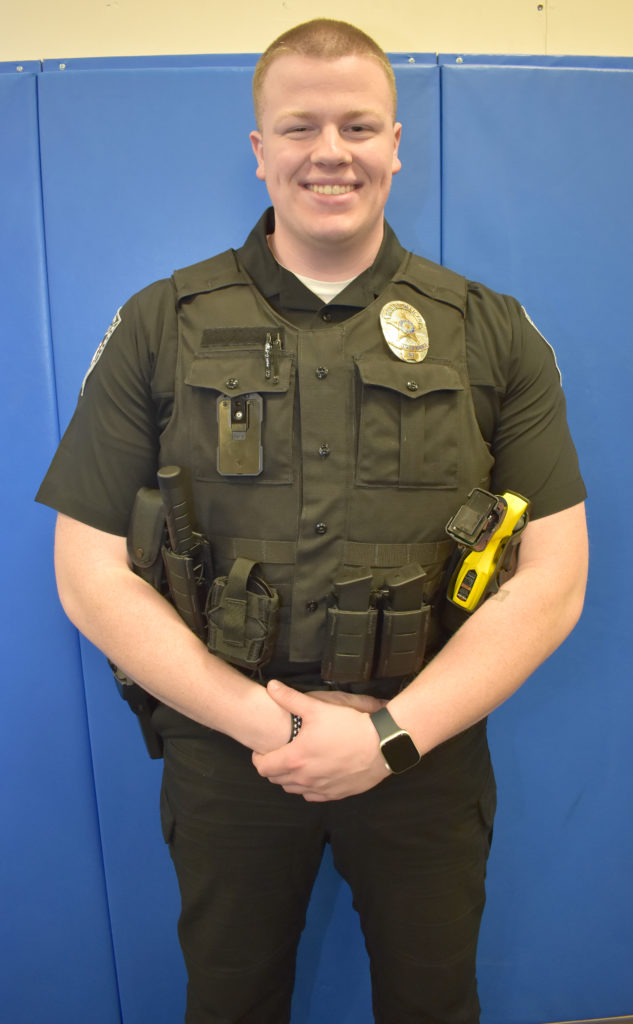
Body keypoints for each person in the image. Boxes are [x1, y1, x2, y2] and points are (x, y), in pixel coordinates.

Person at [37, 18, 588, 1024]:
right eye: (299, 127)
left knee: (434, 1003)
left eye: (357, 125)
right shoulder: (158, 324)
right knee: (232, 1000)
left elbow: (554, 576)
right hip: (230, 752)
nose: (329, 151)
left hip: (423, 750)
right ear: (259, 150)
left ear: (395, 145)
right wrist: (277, 724)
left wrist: (385, 736)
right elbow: (87, 569)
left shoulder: (495, 330)